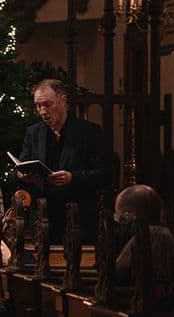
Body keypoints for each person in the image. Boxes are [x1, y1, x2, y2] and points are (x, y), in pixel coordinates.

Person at [15, 79, 108, 243]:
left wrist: (72, 177)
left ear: (63, 100)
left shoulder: (88, 132)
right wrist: (23, 175)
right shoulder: (33, 133)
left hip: (78, 214)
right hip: (44, 216)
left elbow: (104, 173)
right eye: (38, 106)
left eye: (47, 104)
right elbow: (22, 164)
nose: (43, 111)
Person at [112, 184, 174, 312]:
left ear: (129, 216)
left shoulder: (151, 236)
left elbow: (117, 272)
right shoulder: (166, 234)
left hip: (147, 310)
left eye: (118, 216)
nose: (118, 222)